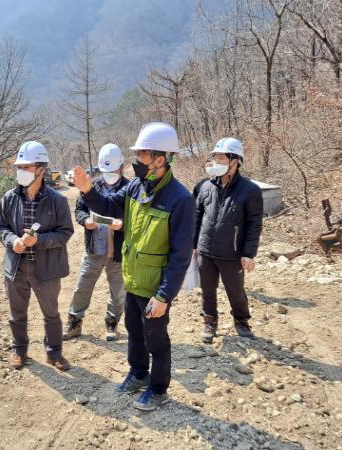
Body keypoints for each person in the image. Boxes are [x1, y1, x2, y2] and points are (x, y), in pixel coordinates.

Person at [72, 122, 195, 411]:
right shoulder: (136, 187)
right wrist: (88, 190)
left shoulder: (180, 199)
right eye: (137, 153)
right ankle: (139, 374)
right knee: (134, 332)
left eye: (142, 154)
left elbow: (181, 255)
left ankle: (158, 389)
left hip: (155, 286)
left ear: (160, 159)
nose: (136, 160)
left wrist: (164, 296)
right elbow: (108, 206)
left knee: (156, 339)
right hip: (133, 278)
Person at [0, 141, 74, 371]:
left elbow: (65, 232)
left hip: (46, 267)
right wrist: (13, 241)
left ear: (41, 169)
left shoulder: (57, 200)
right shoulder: (9, 198)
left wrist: (39, 240)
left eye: (26, 167)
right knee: (17, 312)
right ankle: (19, 350)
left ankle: (54, 353)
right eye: (19, 167)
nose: (21, 171)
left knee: (51, 313)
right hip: (16, 266)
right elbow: (1, 227)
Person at [193, 137, 263, 344]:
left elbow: (254, 224)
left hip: (232, 253)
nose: (217, 162)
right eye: (215, 158)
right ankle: (209, 321)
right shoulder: (205, 186)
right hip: (205, 251)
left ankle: (241, 320)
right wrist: (193, 245)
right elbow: (196, 216)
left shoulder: (250, 190)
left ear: (235, 161)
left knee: (235, 290)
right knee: (207, 290)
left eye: (222, 158)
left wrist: (248, 253)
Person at [63, 144, 129, 341]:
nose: (110, 175)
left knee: (118, 290)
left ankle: (112, 323)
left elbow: (137, 218)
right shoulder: (92, 186)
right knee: (82, 286)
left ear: (122, 166)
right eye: (105, 171)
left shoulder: (130, 188)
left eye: (113, 171)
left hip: (118, 251)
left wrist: (122, 224)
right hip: (94, 248)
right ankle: (74, 322)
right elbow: (79, 210)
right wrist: (85, 221)